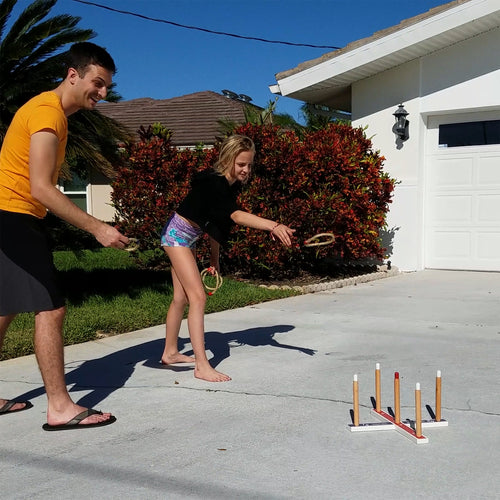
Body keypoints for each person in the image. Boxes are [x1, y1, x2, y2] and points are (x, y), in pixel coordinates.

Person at [0, 42, 130, 430]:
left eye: (107, 86)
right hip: (13, 215)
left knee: (5, 309)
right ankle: (59, 407)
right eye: (97, 83)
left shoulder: (49, 111)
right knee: (51, 308)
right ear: (73, 75)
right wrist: (98, 227)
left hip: (9, 214)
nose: (103, 93)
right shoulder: (47, 114)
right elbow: (40, 187)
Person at [160, 134, 295, 382]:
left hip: (187, 237)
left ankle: (170, 352)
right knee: (197, 297)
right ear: (228, 159)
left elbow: (215, 226)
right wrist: (273, 226)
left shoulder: (228, 186)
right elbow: (235, 216)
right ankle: (202, 366)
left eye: (250, 165)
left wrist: (215, 261)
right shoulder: (216, 183)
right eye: (241, 164)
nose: (246, 170)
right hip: (177, 236)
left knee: (180, 297)